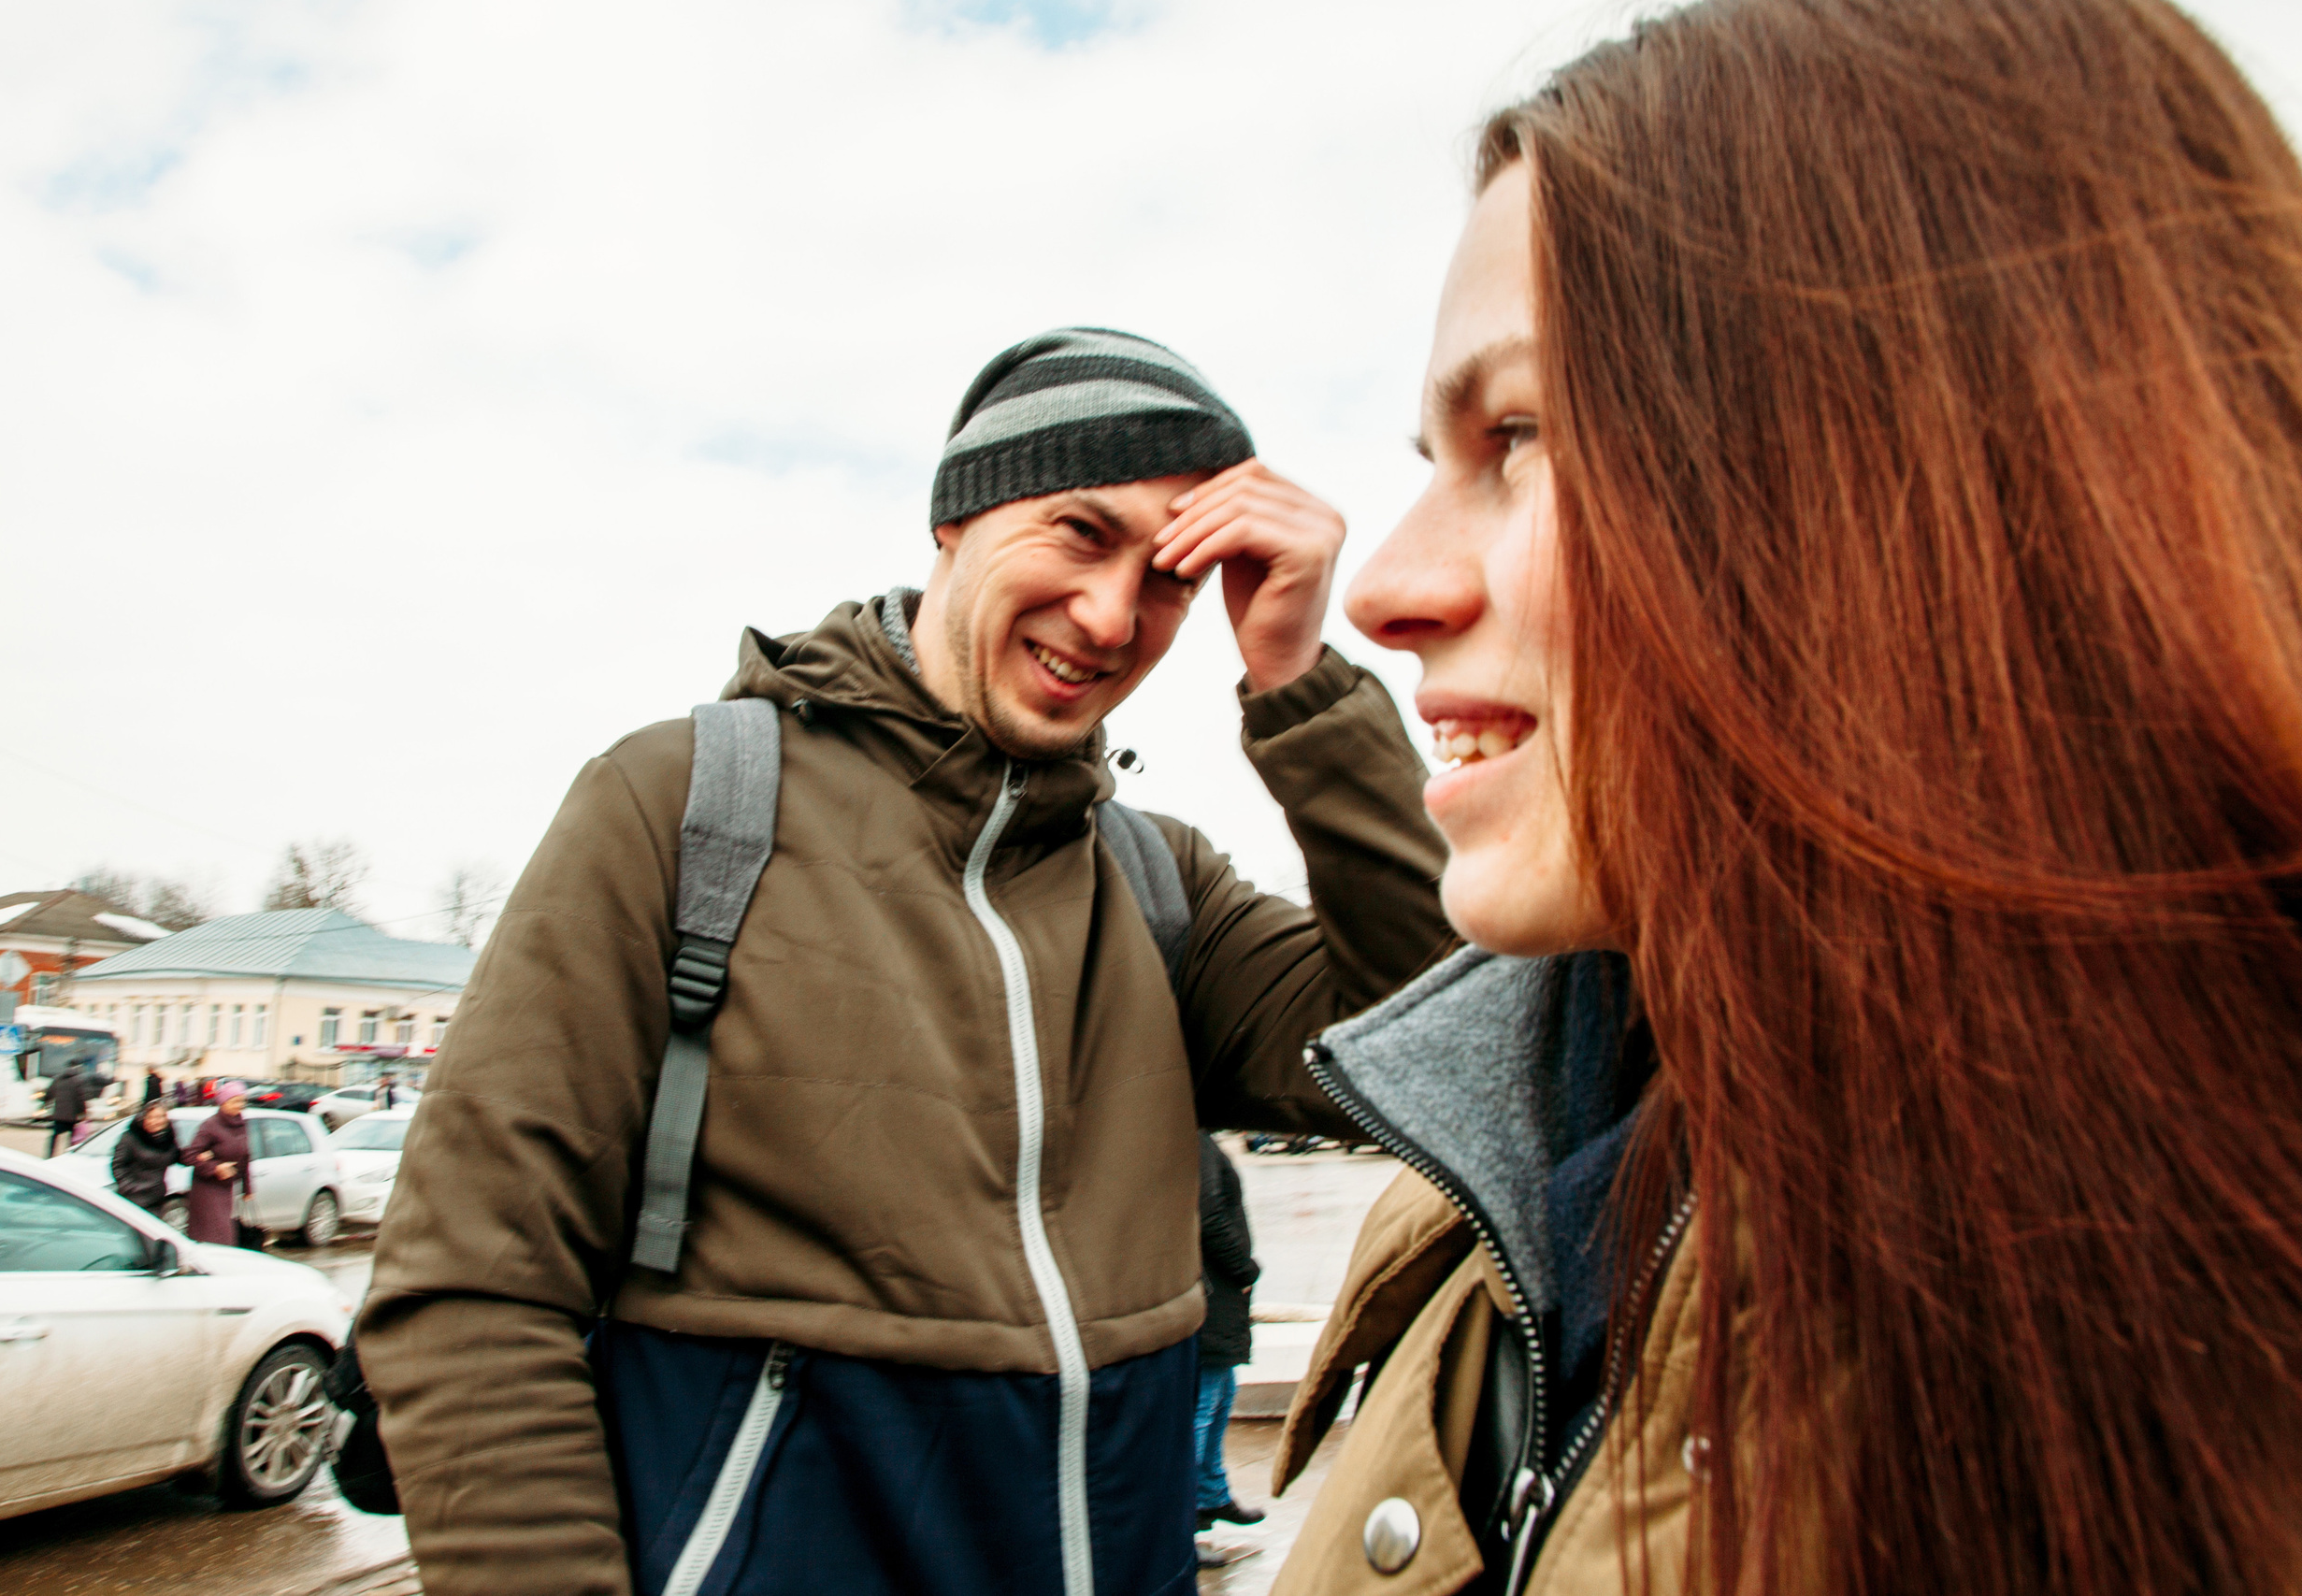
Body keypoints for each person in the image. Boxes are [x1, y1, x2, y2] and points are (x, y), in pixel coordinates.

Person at [1270, 2, 2302, 1593]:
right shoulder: (1501, 1195)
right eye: (1434, 452)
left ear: (1932, 469)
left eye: (1524, 434)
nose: (1388, 584)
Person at [360, 327, 1454, 1596]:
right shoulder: (682, 806)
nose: (1111, 617)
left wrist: (1298, 678)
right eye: (1078, 533)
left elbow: (1432, 1043)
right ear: (955, 523)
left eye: (1167, 576)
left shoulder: (1162, 886)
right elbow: (469, 1286)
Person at [1193, 1131, 1262, 1559]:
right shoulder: (1194, 1136)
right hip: (1213, 1288)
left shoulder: (1196, 1135)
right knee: (1202, 1407)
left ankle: (1211, 1493)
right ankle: (1184, 1526)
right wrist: (1245, 1268)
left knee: (1219, 1396)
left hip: (1215, 1291)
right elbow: (1209, 1214)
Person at [182, 1086, 252, 1246]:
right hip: (207, 1188)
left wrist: (248, 1189)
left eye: (242, 1101)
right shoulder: (210, 1126)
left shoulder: (241, 1124)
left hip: (227, 1187)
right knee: (216, 1235)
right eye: (235, 1101)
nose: (239, 1105)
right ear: (223, 1103)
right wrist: (216, 1168)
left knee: (223, 1234)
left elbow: (246, 1156)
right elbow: (190, 1155)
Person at [113, 1098, 183, 1217]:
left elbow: (176, 1157)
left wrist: (201, 1155)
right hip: (133, 1200)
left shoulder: (167, 1138)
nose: (158, 1121)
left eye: (161, 1116)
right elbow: (118, 1166)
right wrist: (130, 1187)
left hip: (157, 1199)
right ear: (143, 1118)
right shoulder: (130, 1138)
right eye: (153, 1117)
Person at [43, 1065, 94, 1157]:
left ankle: (50, 1155)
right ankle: (68, 1155)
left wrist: (45, 1103)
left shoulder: (58, 1079)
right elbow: (80, 1099)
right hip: (71, 1116)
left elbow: (49, 1093)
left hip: (58, 1115)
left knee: (55, 1135)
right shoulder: (77, 1081)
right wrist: (83, 1113)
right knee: (71, 1137)